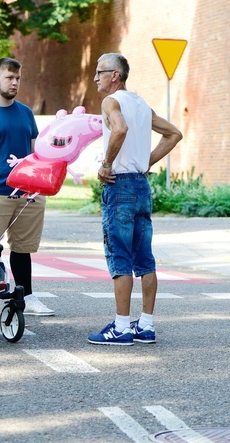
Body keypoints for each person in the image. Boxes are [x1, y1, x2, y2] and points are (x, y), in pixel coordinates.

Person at [87, 52, 182, 346]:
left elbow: (120, 128)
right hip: (141, 186)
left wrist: (106, 165)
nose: (96, 78)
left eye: (100, 72)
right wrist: (146, 160)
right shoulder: (141, 103)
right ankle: (146, 325)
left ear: (115, 75)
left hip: (120, 186)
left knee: (120, 257)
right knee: (145, 258)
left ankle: (121, 327)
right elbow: (174, 134)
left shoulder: (110, 102)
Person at [0, 58, 52, 316]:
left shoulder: (26, 113)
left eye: (17, 78)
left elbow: (36, 152)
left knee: (23, 249)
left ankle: (26, 296)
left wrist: (40, 184)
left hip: (27, 195)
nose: (14, 83)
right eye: (9, 78)